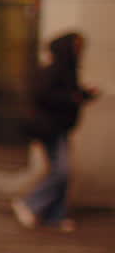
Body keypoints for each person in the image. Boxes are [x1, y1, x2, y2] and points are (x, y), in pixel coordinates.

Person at [13, 32, 98, 232]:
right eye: (76, 46)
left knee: (63, 172)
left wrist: (84, 95)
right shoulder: (55, 71)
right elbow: (46, 95)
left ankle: (56, 216)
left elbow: (67, 95)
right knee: (62, 171)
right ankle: (31, 203)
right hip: (51, 128)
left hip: (60, 127)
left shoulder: (68, 71)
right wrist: (73, 98)